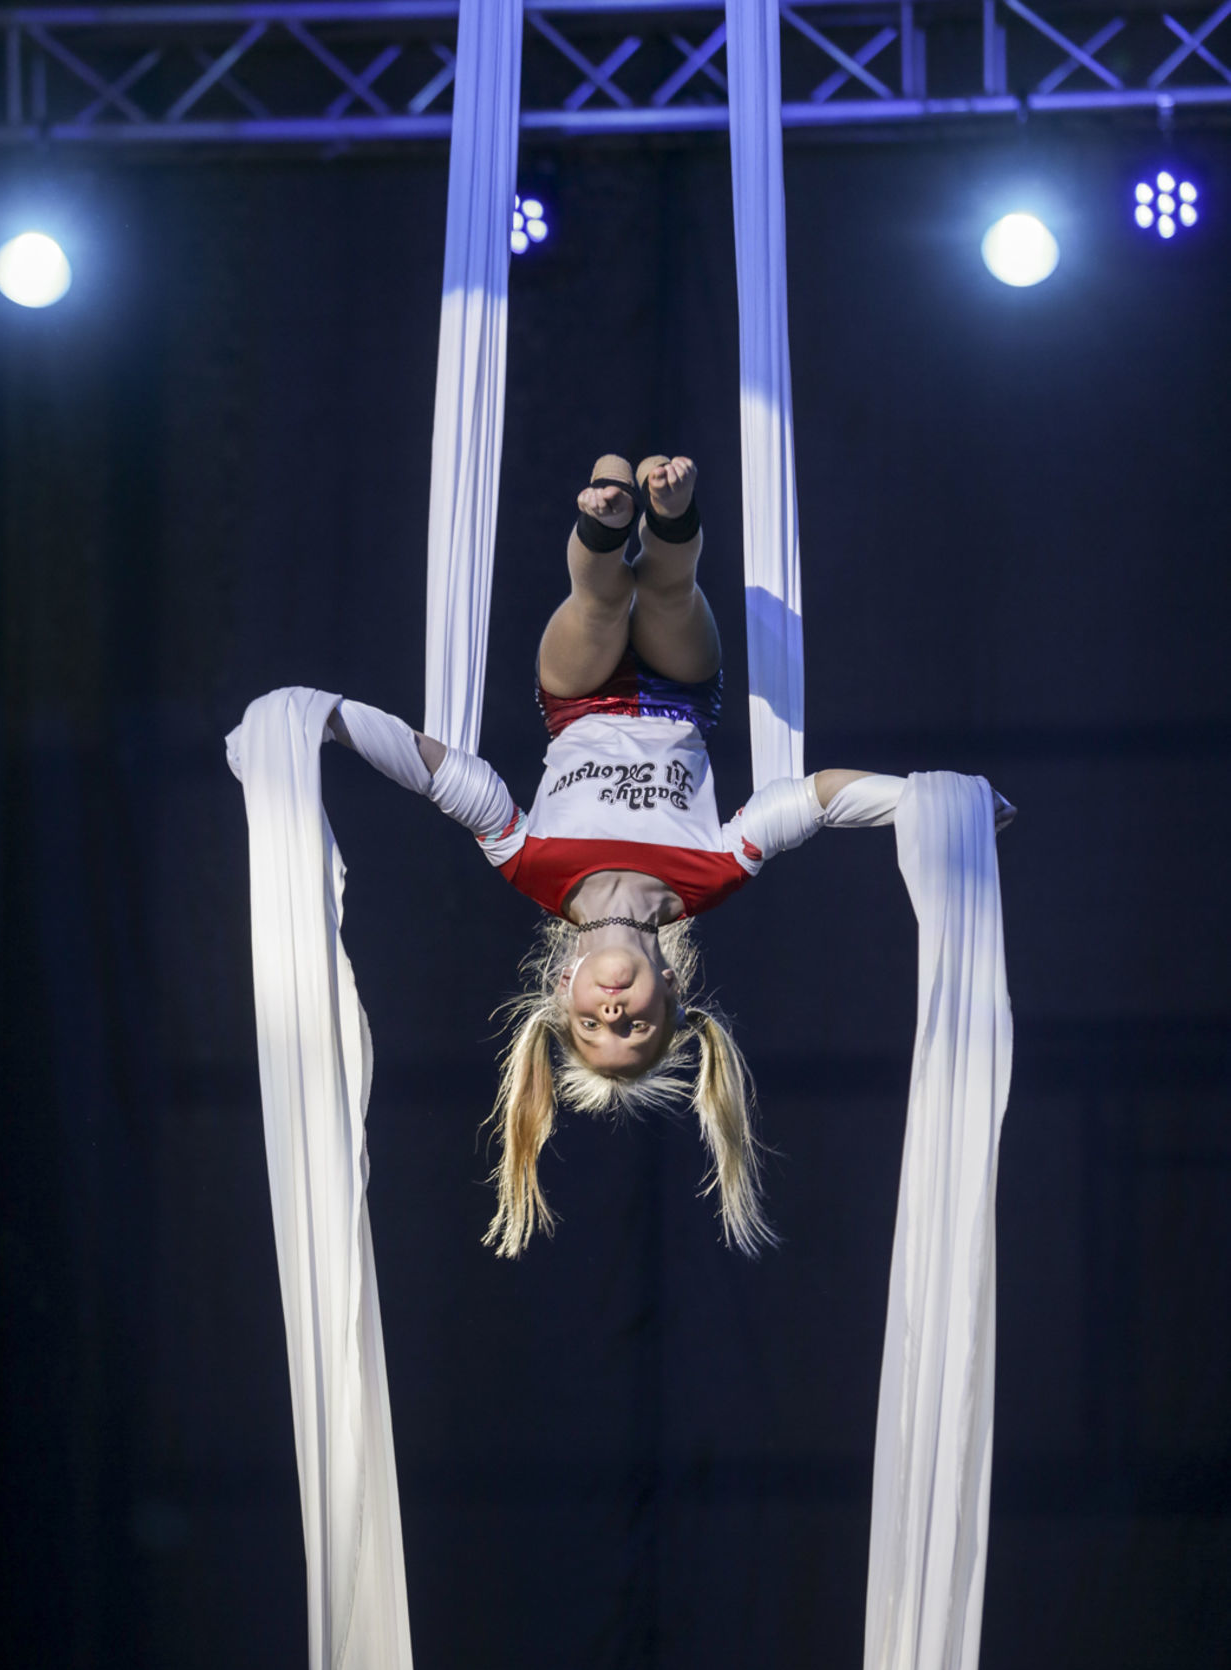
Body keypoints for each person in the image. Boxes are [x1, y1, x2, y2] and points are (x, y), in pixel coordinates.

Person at [328, 455, 1005, 1257]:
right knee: (669, 593)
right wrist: (924, 799)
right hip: (683, 695)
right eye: (637, 1026)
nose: (613, 1014)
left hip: (576, 697)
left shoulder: (529, 863)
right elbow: (819, 799)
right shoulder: (712, 872)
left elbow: (432, 768)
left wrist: (323, 722)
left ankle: (606, 515)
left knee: (599, 601)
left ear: (563, 984)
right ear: (675, 991)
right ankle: (666, 507)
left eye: (591, 1024)